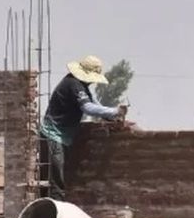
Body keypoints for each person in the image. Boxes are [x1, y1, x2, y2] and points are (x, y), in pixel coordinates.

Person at [39, 55, 128, 200]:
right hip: (53, 136)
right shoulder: (73, 85)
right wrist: (114, 112)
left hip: (60, 137)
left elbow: (94, 103)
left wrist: (112, 116)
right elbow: (87, 107)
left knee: (57, 180)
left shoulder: (80, 85)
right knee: (56, 184)